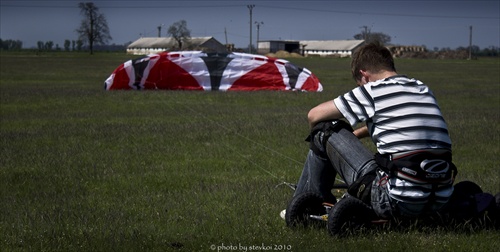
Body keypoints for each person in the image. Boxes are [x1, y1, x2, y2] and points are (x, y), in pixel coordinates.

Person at [284, 42, 457, 219]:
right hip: (440, 200)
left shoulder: (373, 90)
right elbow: (393, 122)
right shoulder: (422, 89)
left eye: (359, 84)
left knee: (324, 129)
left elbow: (314, 115)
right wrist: (356, 135)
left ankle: (309, 205)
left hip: (395, 201)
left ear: (364, 75)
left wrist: (329, 148)